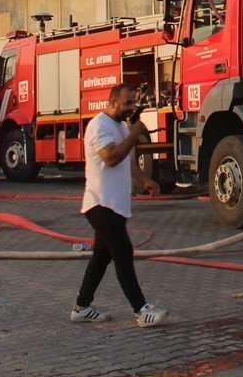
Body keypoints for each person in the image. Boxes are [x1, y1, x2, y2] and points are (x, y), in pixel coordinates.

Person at [69, 83, 166, 328]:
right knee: (123, 253)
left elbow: (125, 160)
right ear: (112, 103)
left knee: (101, 258)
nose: (131, 108)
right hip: (101, 204)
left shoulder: (121, 127)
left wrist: (146, 179)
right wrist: (134, 135)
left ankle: (81, 307)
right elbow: (110, 158)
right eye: (127, 103)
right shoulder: (99, 125)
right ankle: (141, 310)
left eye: (134, 103)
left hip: (115, 206)